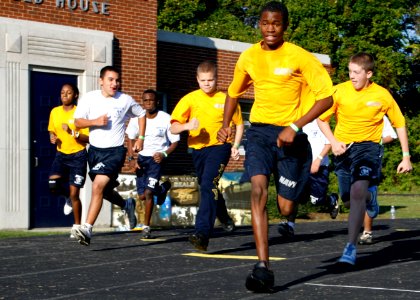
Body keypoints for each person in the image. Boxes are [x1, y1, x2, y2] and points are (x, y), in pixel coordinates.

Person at [217, 1, 334, 292]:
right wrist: (226, 123)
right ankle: (262, 265)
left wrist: (294, 127)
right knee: (257, 189)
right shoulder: (248, 57)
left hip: (291, 137)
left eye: (277, 23)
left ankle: (307, 188)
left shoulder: (300, 57)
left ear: (285, 26)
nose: (271, 28)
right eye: (266, 22)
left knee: (286, 206)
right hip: (258, 134)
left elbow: (327, 98)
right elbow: (233, 92)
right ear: (259, 23)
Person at [317, 53, 413, 266]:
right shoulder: (339, 91)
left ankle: (350, 247)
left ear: (369, 73)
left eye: (356, 72)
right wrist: (333, 142)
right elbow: (322, 120)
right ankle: (372, 198)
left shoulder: (382, 95)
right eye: (350, 71)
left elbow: (399, 123)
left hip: (368, 148)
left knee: (358, 190)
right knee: (350, 199)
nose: (352, 76)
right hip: (343, 148)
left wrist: (406, 156)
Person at [170, 60, 244, 252]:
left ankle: (202, 233)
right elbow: (173, 126)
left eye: (210, 80)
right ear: (197, 80)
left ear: (217, 79)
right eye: (203, 80)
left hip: (220, 147)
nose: (207, 84)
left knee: (208, 184)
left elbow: (239, 124)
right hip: (198, 149)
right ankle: (224, 215)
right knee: (208, 185)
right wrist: (187, 126)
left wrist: (236, 145)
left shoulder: (227, 98)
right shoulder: (190, 99)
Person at [71, 65, 146, 246]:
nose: (115, 84)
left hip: (114, 152)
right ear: (101, 81)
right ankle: (126, 204)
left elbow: (141, 114)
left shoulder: (125, 100)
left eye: (117, 80)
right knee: (103, 191)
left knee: (97, 186)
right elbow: (77, 122)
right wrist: (95, 122)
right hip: (95, 151)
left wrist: (140, 138)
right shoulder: (90, 98)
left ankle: (87, 229)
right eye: (111, 80)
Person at [125, 89, 179, 238]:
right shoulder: (137, 118)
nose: (148, 103)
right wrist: (131, 159)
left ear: (157, 102)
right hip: (141, 159)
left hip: (156, 160)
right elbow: (130, 138)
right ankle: (162, 189)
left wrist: (164, 154)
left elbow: (175, 142)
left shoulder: (166, 118)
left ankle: (146, 227)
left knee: (149, 193)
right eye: (145, 101)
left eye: (151, 100)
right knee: (142, 196)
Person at [277, 118, 339, 238]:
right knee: (293, 196)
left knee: (316, 200)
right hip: (300, 166)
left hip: (318, 167)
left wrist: (318, 160)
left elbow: (329, 143)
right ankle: (290, 225)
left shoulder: (320, 121)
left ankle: (331, 200)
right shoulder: (297, 122)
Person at [48, 83, 89, 237]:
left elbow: (87, 138)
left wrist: (72, 131)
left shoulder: (80, 113)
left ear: (75, 95)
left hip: (78, 155)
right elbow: (52, 131)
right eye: (62, 92)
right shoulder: (55, 112)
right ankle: (67, 197)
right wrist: (52, 137)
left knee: (75, 194)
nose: (64, 95)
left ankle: (77, 227)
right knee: (53, 185)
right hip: (61, 154)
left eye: (69, 92)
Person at [358, 116, 397, 244]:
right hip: (350, 157)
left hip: (371, 157)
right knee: (349, 197)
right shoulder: (345, 108)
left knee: (366, 188)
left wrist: (373, 141)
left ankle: (367, 233)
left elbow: (391, 136)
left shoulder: (379, 114)